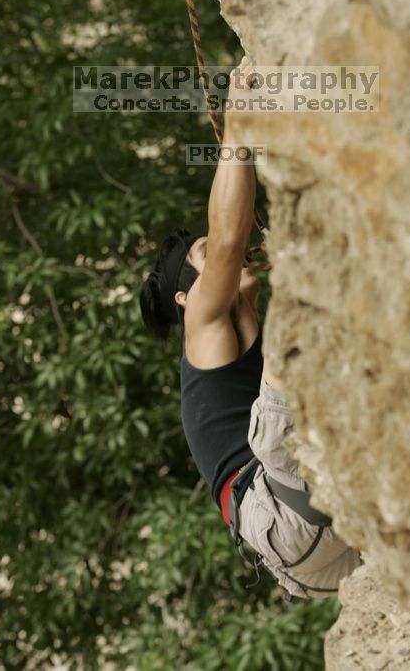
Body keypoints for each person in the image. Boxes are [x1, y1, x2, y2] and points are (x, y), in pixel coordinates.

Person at [140, 57, 361, 600]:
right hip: (279, 506)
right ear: (186, 296)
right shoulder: (203, 324)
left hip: (306, 555)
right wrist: (238, 126)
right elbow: (231, 239)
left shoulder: (239, 339)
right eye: (203, 255)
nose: (219, 254)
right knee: (315, 313)